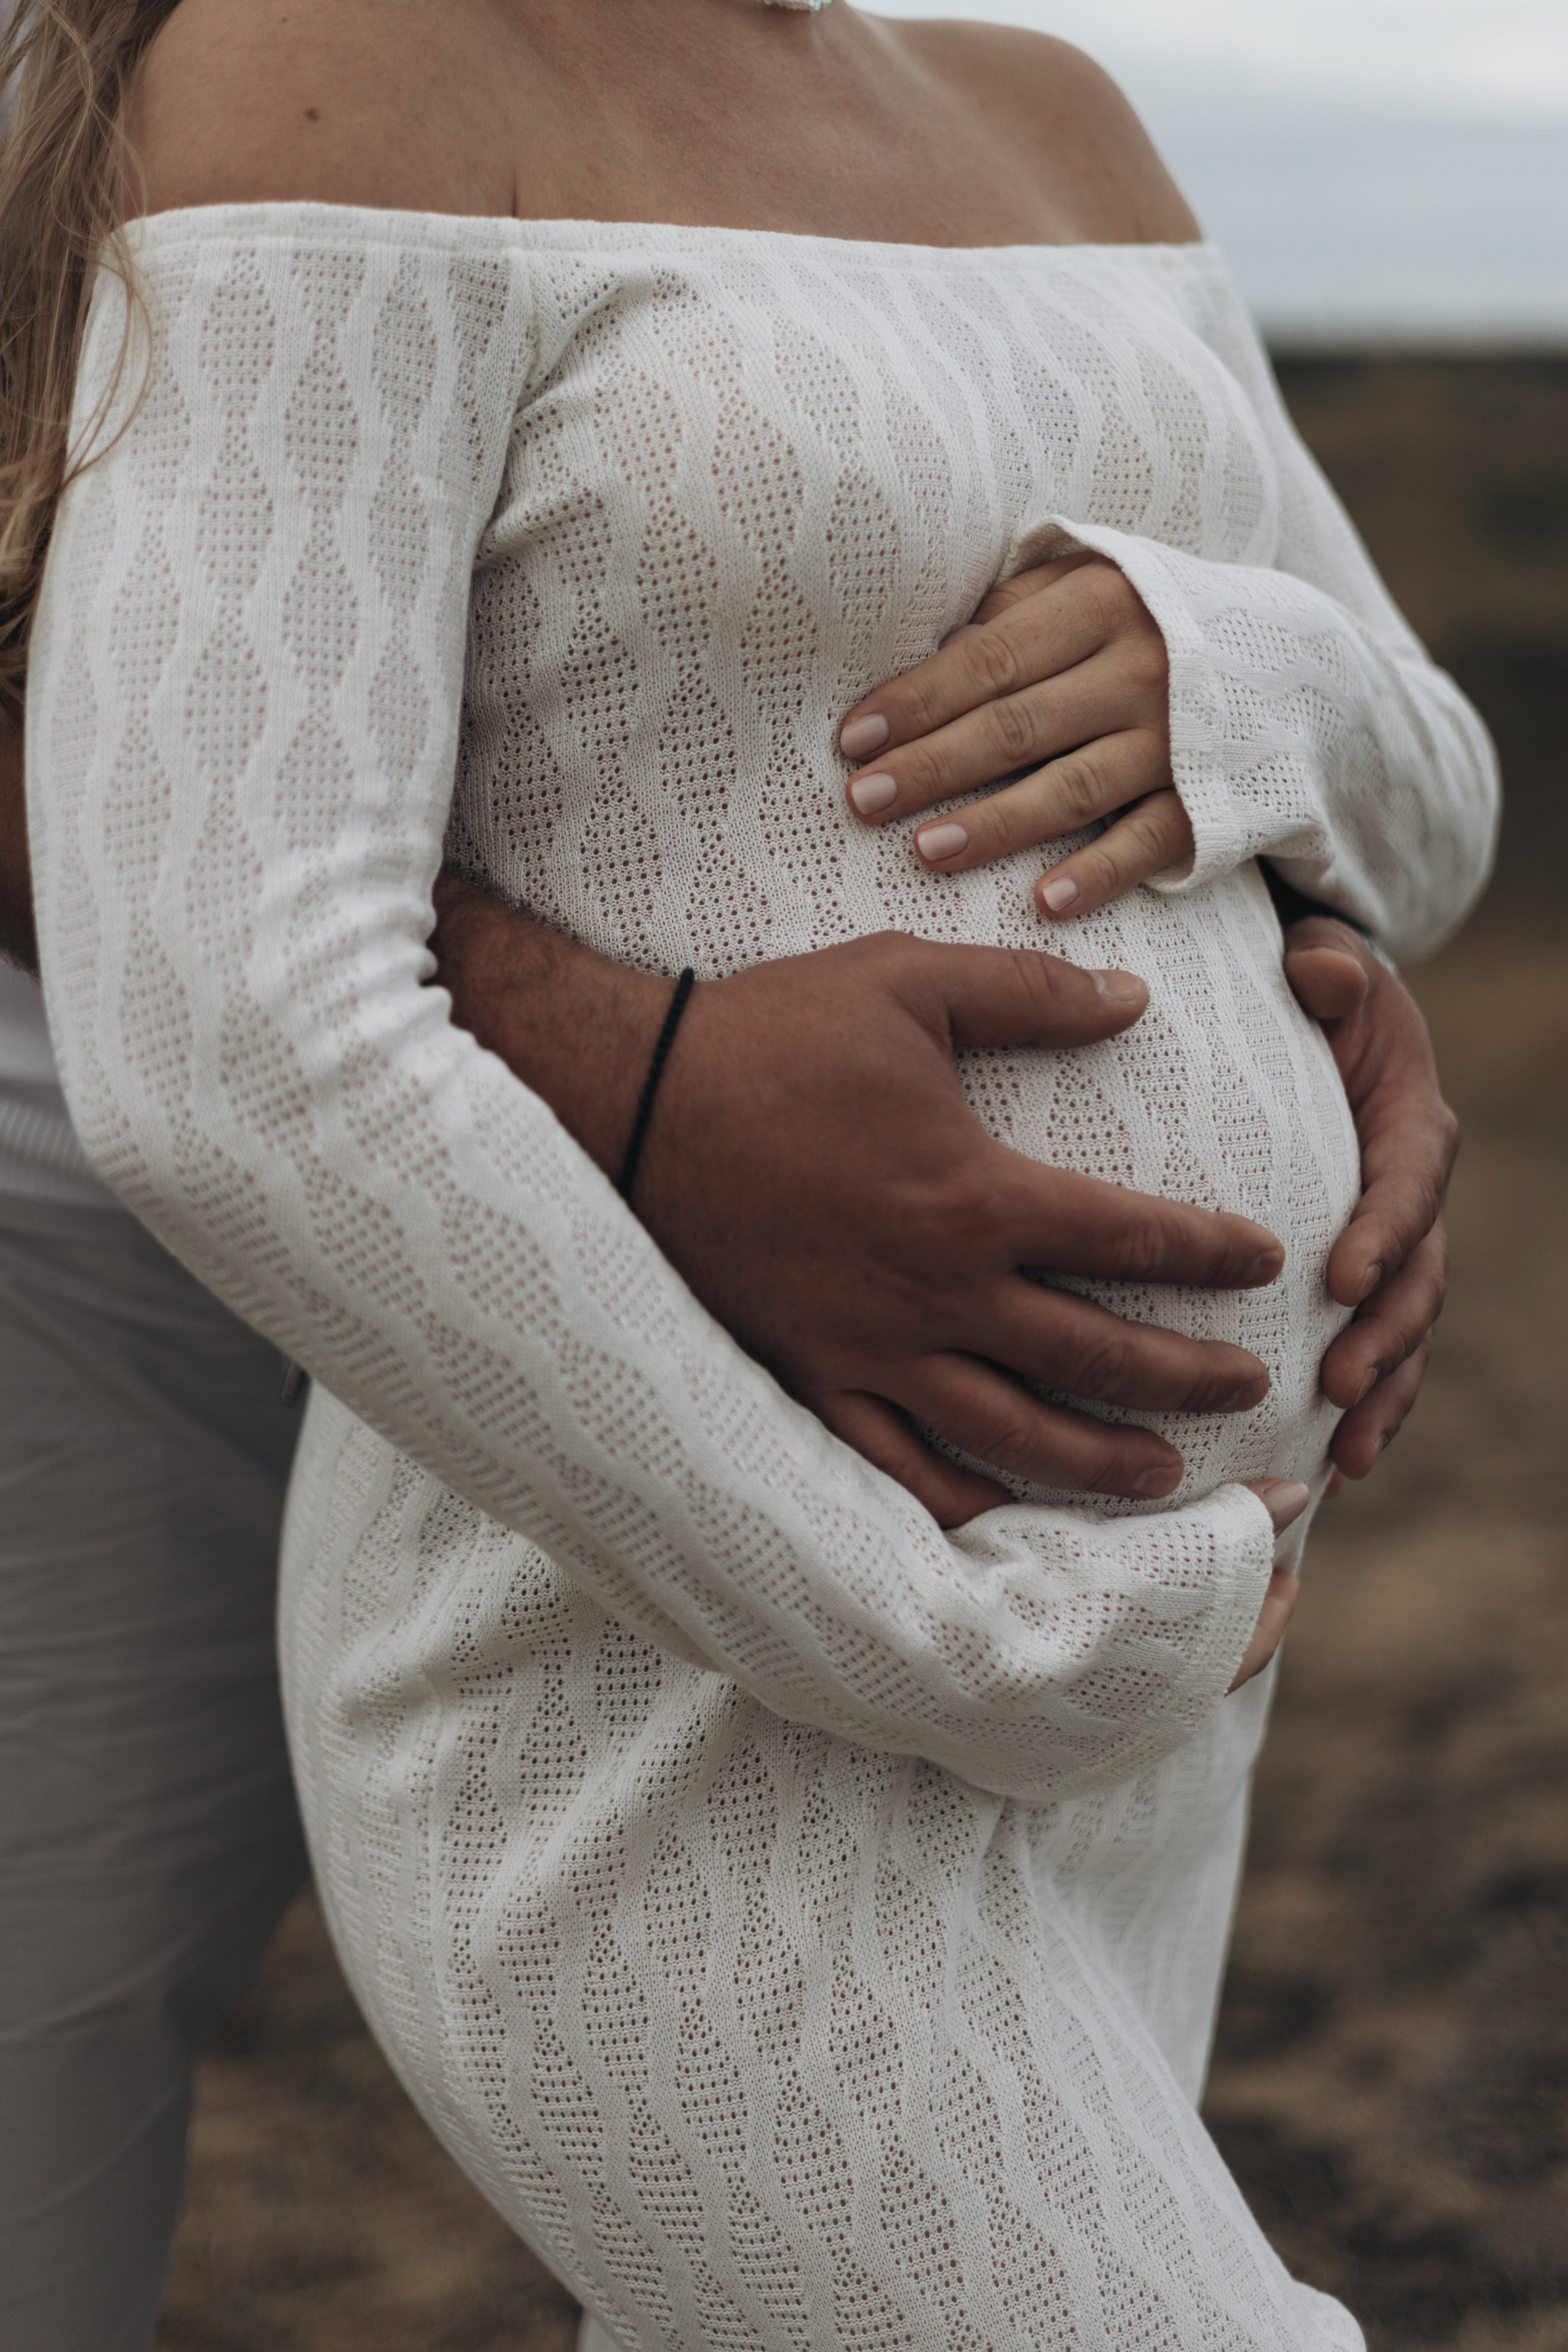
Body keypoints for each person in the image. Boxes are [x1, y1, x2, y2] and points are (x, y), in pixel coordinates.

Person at [3, 1, 1489, 2347]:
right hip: (672, 1677)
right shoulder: (337, 65)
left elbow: (1431, 793)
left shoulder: (1047, 111)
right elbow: (227, 1030)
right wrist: (949, 1645)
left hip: (1153, 1672)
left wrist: (1239, 697)